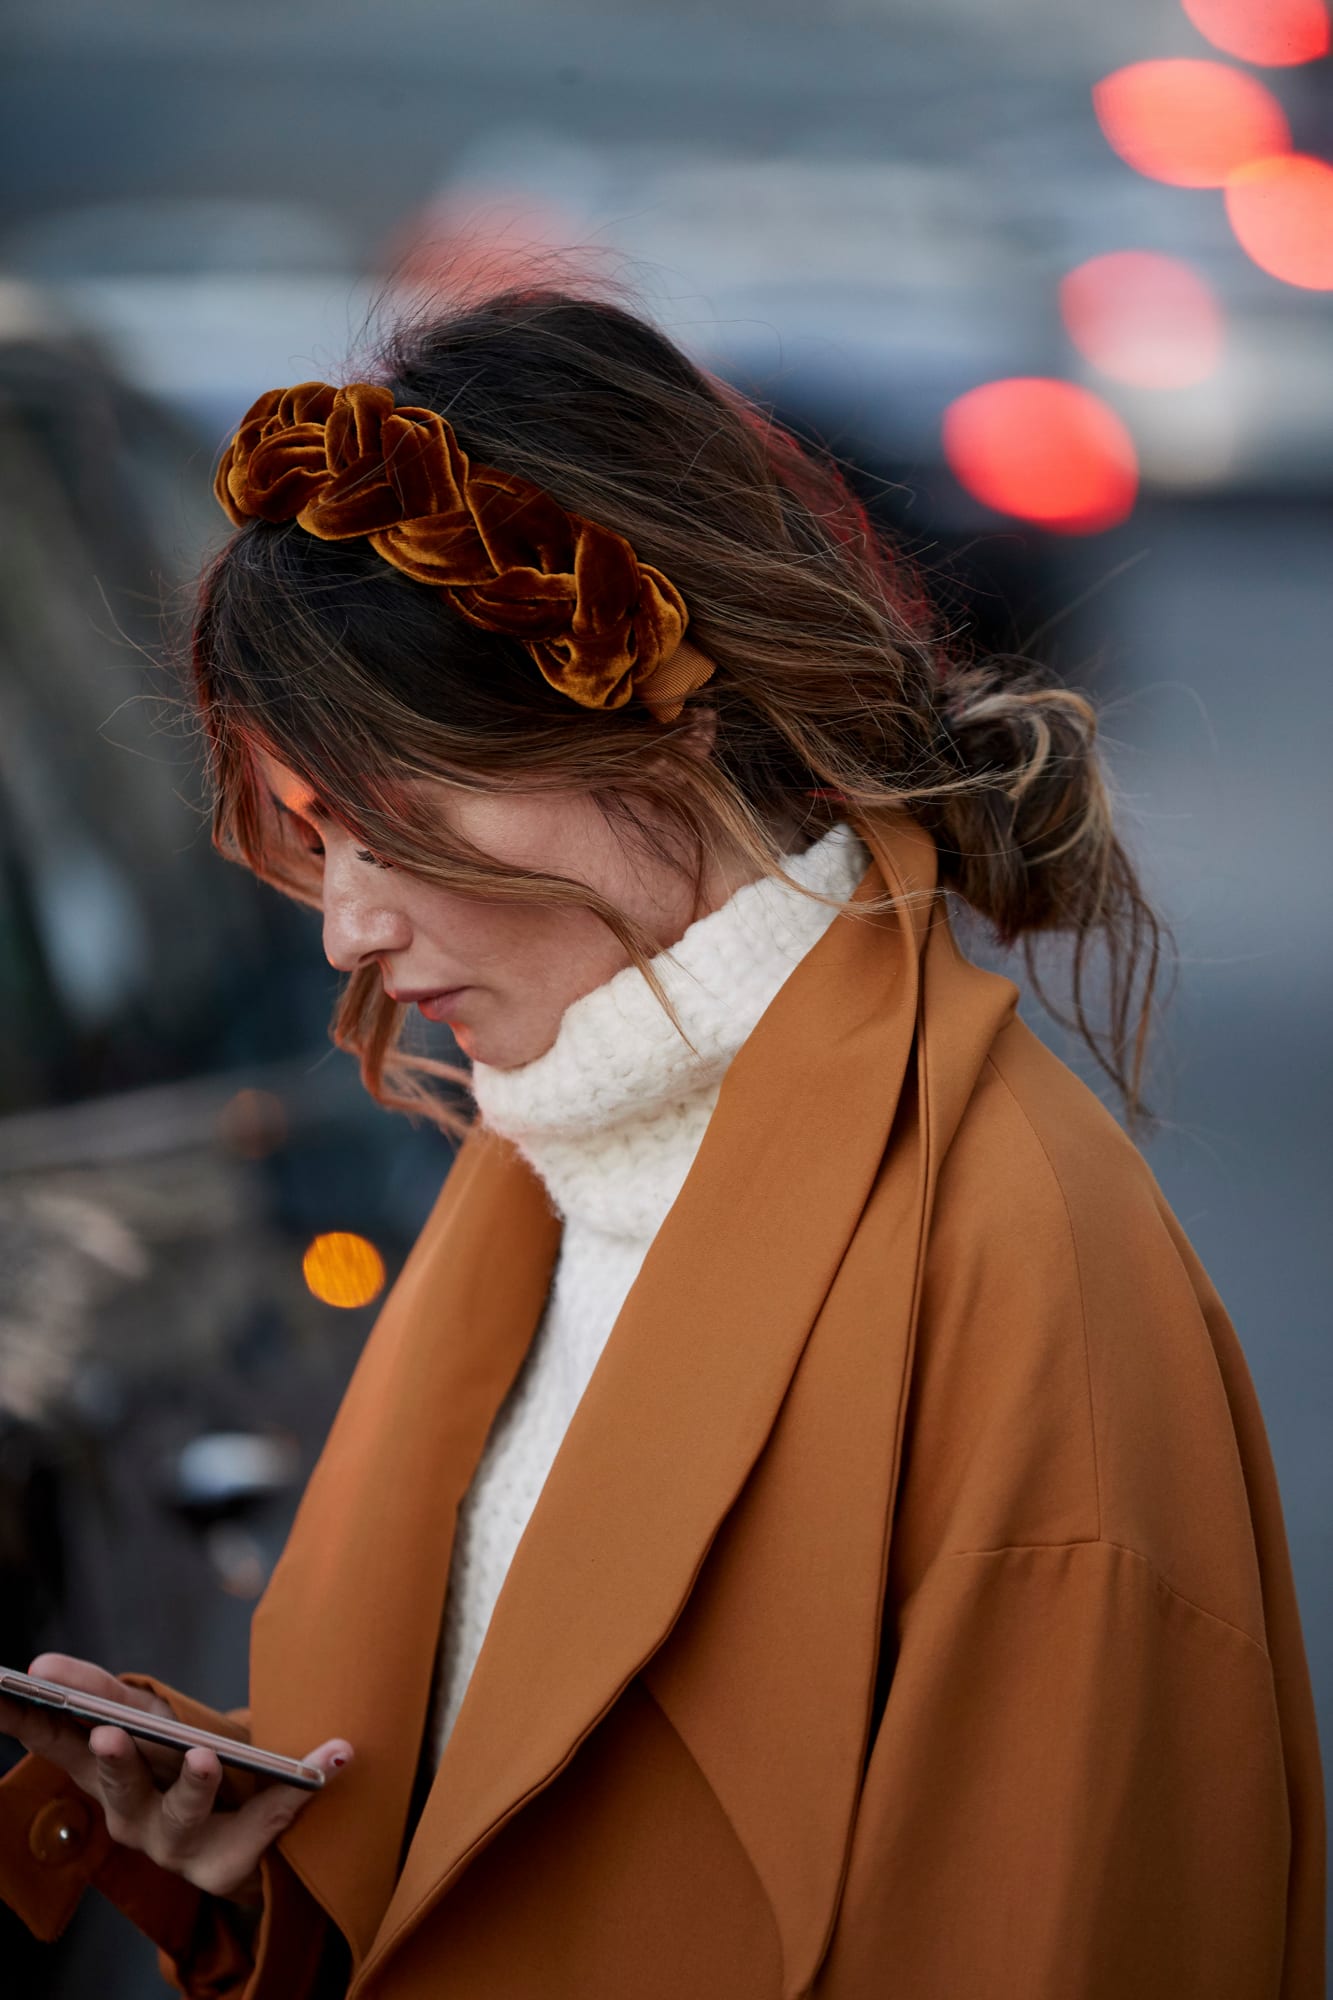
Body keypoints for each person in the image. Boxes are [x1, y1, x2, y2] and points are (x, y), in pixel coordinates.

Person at [0, 286, 1323, 1998]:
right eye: (307, 834)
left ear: (658, 721)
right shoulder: (541, 1165)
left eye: (392, 817)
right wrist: (256, 1885)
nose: (342, 927)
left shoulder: (1011, 1273)